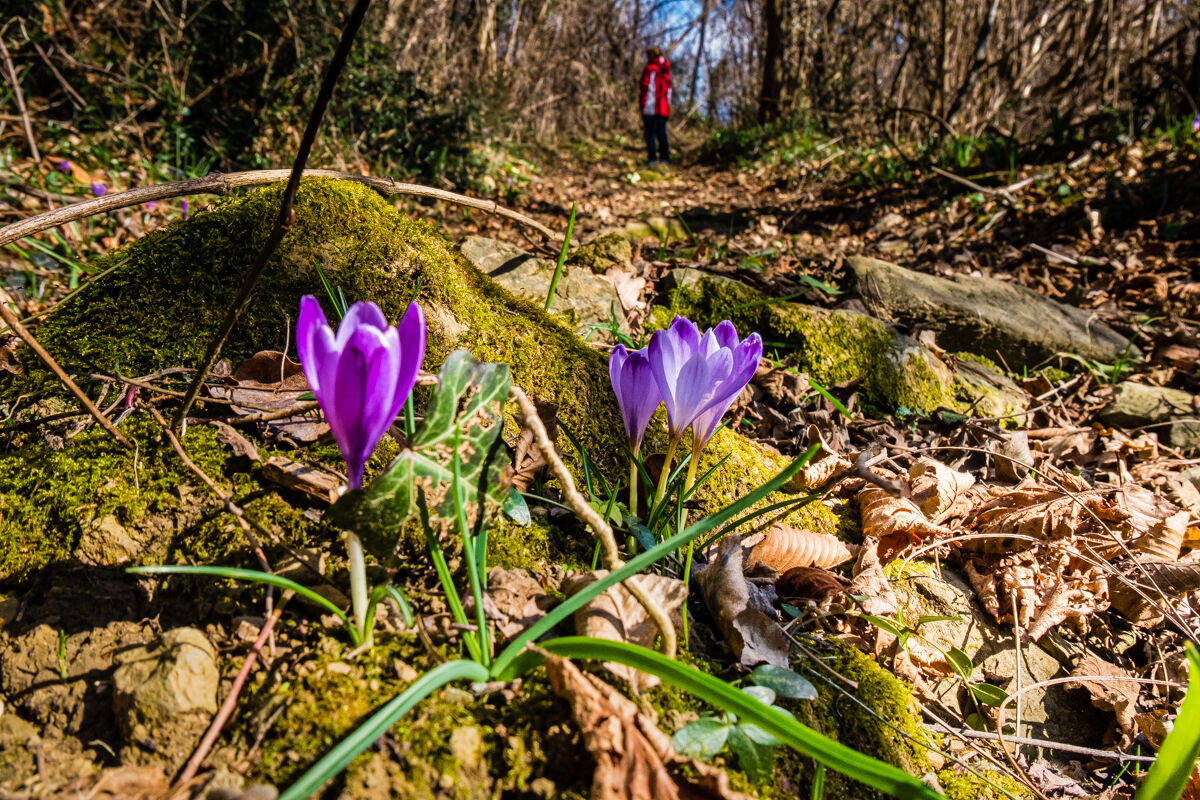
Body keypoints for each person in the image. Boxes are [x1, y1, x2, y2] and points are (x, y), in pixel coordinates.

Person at [639, 47, 671, 165]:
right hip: (663, 109)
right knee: (662, 134)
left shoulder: (650, 69)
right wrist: (667, 107)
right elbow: (669, 91)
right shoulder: (666, 71)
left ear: (650, 56)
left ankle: (652, 160)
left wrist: (642, 105)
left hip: (650, 108)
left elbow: (645, 87)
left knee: (650, 134)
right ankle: (664, 159)